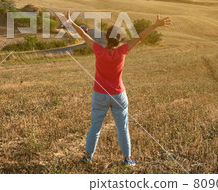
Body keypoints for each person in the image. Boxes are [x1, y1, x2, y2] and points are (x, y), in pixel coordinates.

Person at [64, 11, 172, 166]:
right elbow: (140, 37)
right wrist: (155, 25)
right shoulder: (122, 51)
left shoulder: (98, 50)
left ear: (106, 38)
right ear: (119, 40)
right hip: (118, 94)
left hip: (100, 94)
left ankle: (88, 157)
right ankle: (127, 159)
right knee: (122, 128)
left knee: (95, 127)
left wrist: (71, 22)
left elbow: (83, 35)